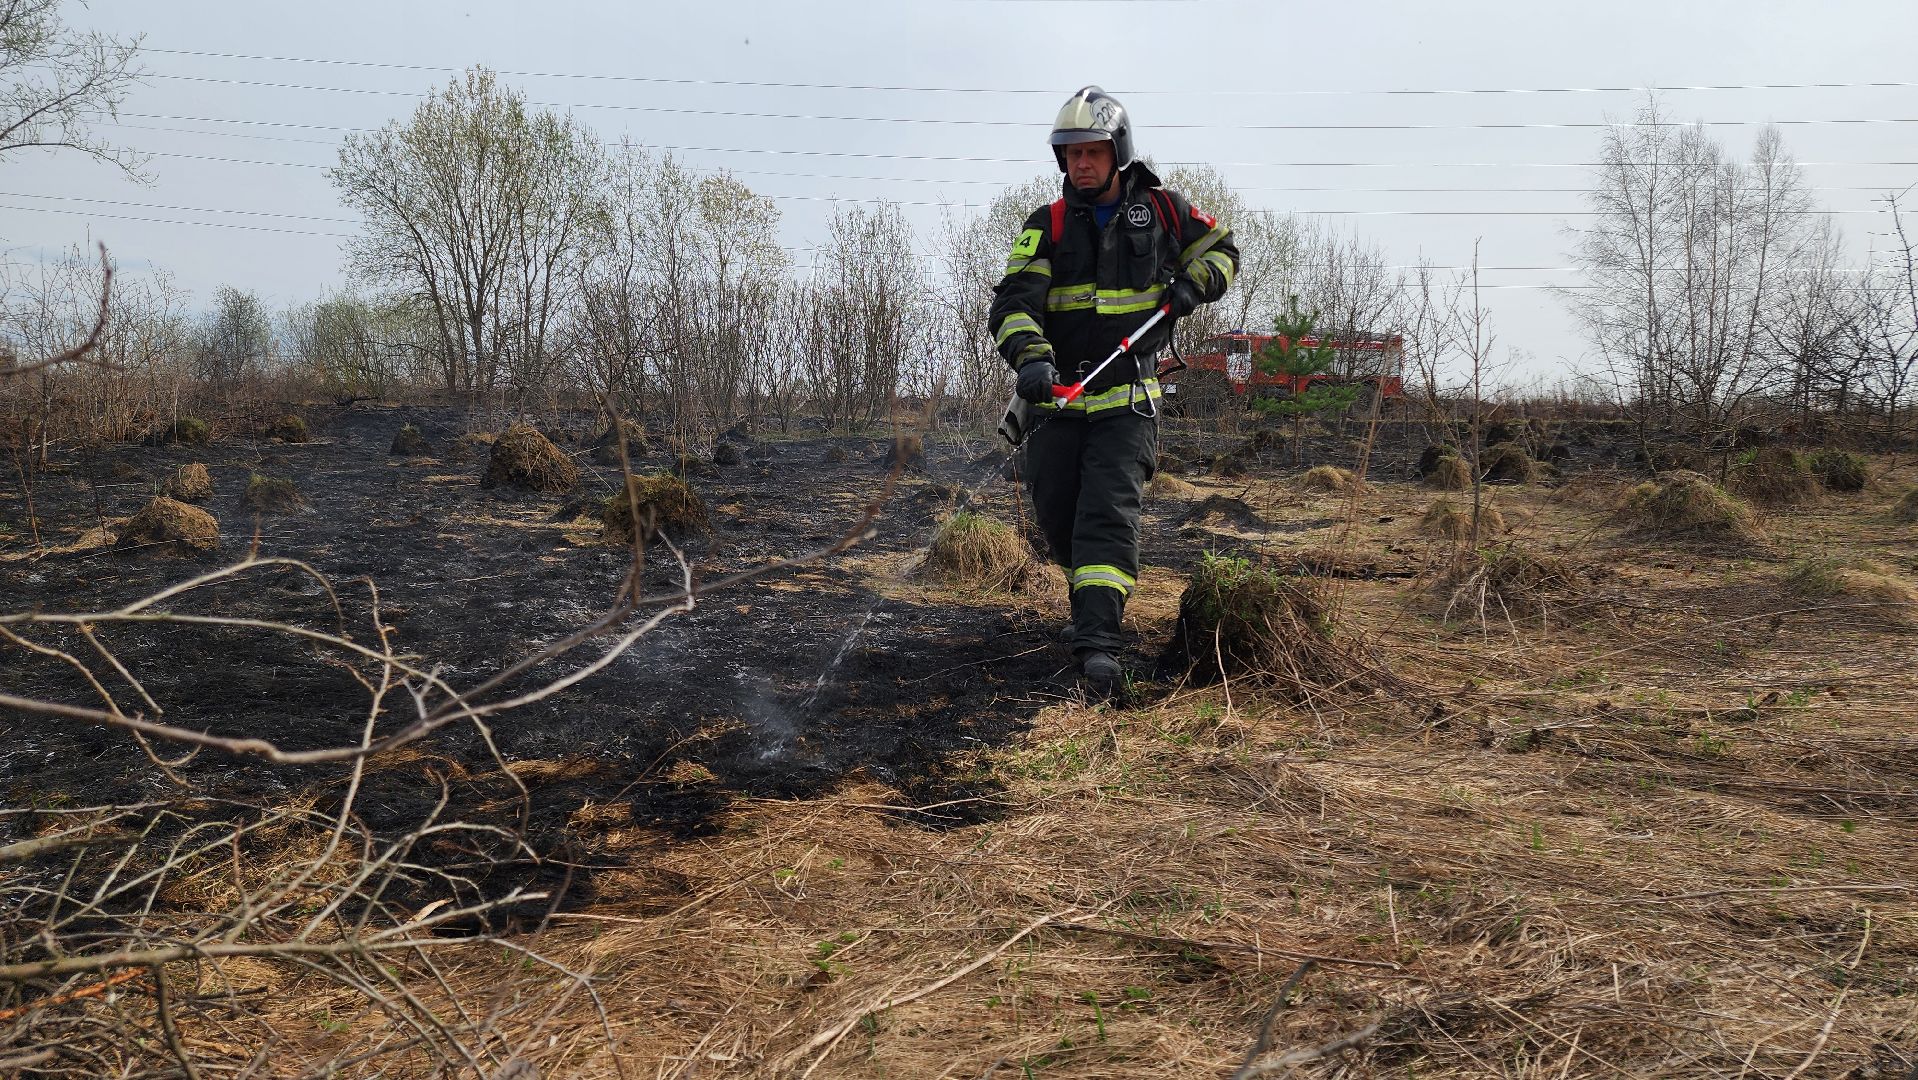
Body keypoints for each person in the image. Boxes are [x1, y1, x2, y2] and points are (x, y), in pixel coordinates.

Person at [988, 85, 1238, 697]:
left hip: (1127, 405)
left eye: (1092, 151)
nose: (1081, 164)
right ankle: (1090, 603)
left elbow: (1222, 250)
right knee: (1060, 520)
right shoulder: (1044, 225)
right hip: (1057, 404)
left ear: (1116, 151)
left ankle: (1099, 646)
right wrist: (1031, 359)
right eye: (1070, 154)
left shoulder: (1163, 210)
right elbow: (1014, 302)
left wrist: (1194, 282)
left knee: (1106, 517)